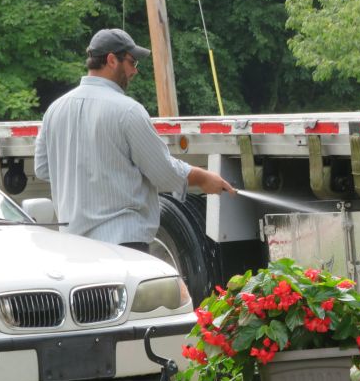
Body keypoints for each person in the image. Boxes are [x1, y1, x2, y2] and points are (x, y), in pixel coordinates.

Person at [35, 28, 234, 253]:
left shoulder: (54, 110)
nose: (134, 70)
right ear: (111, 60)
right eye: (132, 62)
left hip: (74, 248)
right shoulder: (127, 111)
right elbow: (163, 172)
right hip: (123, 246)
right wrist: (203, 177)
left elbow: (43, 169)